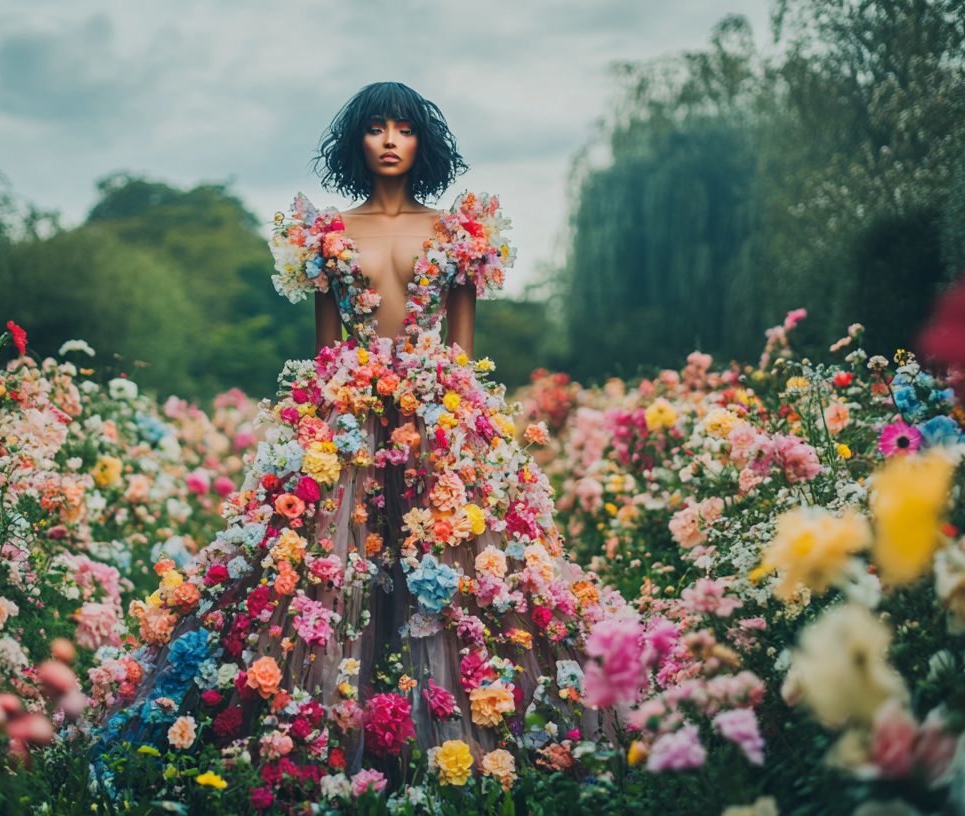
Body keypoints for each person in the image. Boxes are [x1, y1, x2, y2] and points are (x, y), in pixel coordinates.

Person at [91, 81, 626, 799]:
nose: (389, 140)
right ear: (358, 142)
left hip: (441, 420)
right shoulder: (327, 233)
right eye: (376, 128)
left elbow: (463, 355)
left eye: (403, 129)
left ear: (421, 143)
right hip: (345, 423)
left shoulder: (458, 231)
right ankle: (319, 749)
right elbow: (324, 353)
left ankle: (478, 746)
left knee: (460, 575)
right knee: (324, 575)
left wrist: (451, 424)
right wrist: (334, 416)